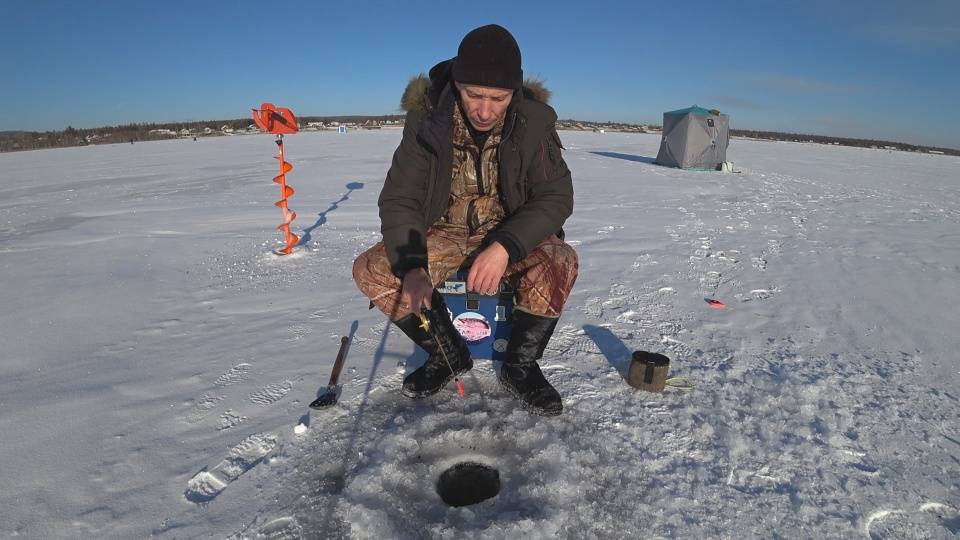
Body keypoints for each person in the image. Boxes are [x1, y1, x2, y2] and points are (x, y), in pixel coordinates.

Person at [352, 24, 577, 416]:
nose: (485, 110)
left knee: (561, 260)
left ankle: (520, 367)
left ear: (515, 93)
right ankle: (447, 355)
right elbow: (400, 198)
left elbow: (555, 197)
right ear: (457, 85)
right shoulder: (426, 122)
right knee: (372, 269)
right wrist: (412, 266)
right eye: (474, 95)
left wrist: (506, 245)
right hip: (445, 229)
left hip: (508, 229)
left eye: (499, 98)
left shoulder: (533, 123)